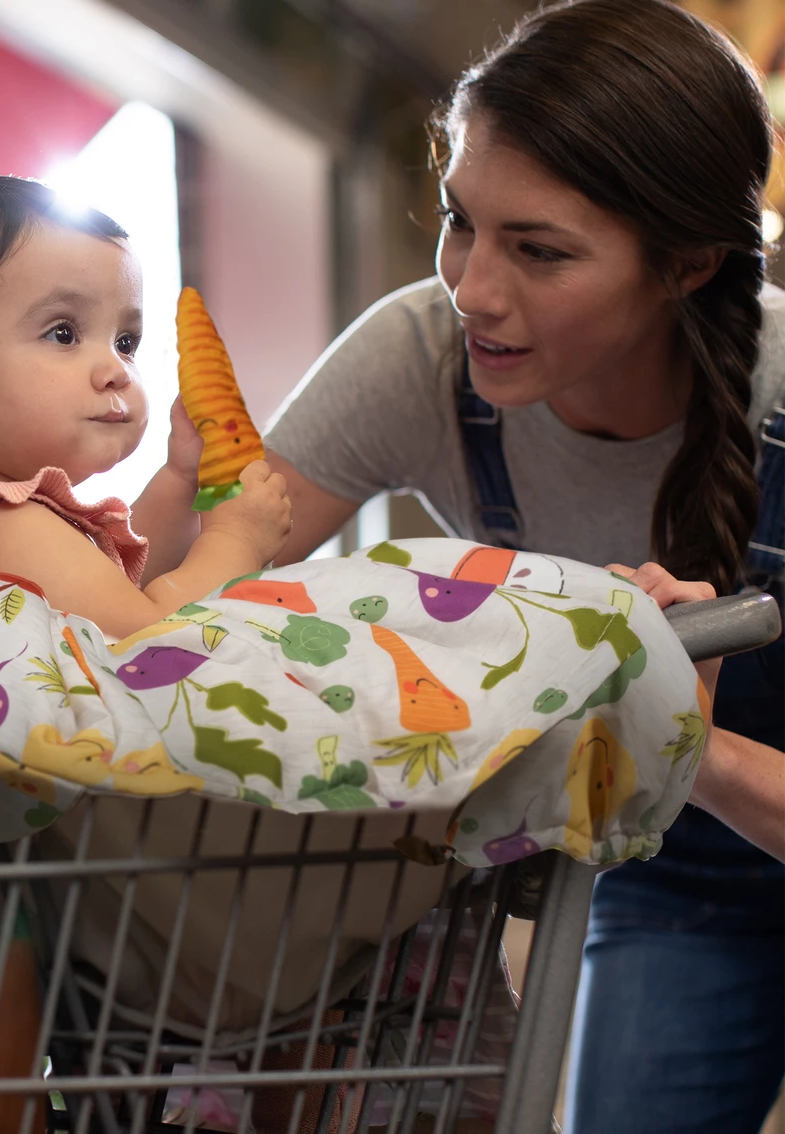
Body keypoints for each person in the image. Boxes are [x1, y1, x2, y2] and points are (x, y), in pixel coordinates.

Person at [244, 0, 784, 1130]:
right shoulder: (422, 360)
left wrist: (680, 733)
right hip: (671, 894)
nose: (473, 289)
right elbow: (175, 587)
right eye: (458, 222)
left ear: (687, 263)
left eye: (539, 251)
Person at [0, 175, 291, 641]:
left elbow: (109, 590)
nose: (115, 369)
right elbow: (148, 639)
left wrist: (179, 481)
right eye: (63, 333)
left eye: (125, 341)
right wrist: (236, 542)